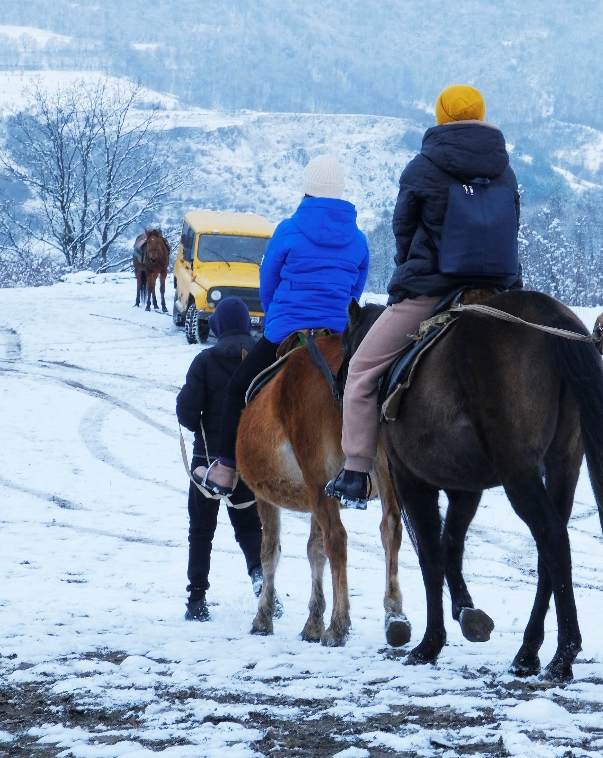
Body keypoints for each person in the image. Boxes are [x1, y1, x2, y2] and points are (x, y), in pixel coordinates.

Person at [325, 85, 521, 506]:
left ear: (441, 115)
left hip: (430, 292)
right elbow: (512, 229)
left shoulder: (423, 166)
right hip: (498, 291)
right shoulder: (505, 168)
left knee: (360, 370)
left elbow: (403, 231)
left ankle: (356, 472)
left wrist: (409, 274)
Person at [193, 155, 370, 498]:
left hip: (287, 330)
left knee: (237, 389)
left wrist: (278, 315)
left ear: (307, 189)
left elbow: (267, 279)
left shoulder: (288, 229)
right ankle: (364, 468)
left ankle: (226, 469)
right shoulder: (358, 238)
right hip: (337, 334)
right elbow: (355, 290)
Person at [176, 296, 263, 621]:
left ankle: (196, 601)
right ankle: (261, 580)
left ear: (218, 326)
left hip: (207, 461)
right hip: (251, 461)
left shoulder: (205, 361)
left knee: (200, 530)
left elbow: (187, 414)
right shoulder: (260, 358)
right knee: (250, 527)